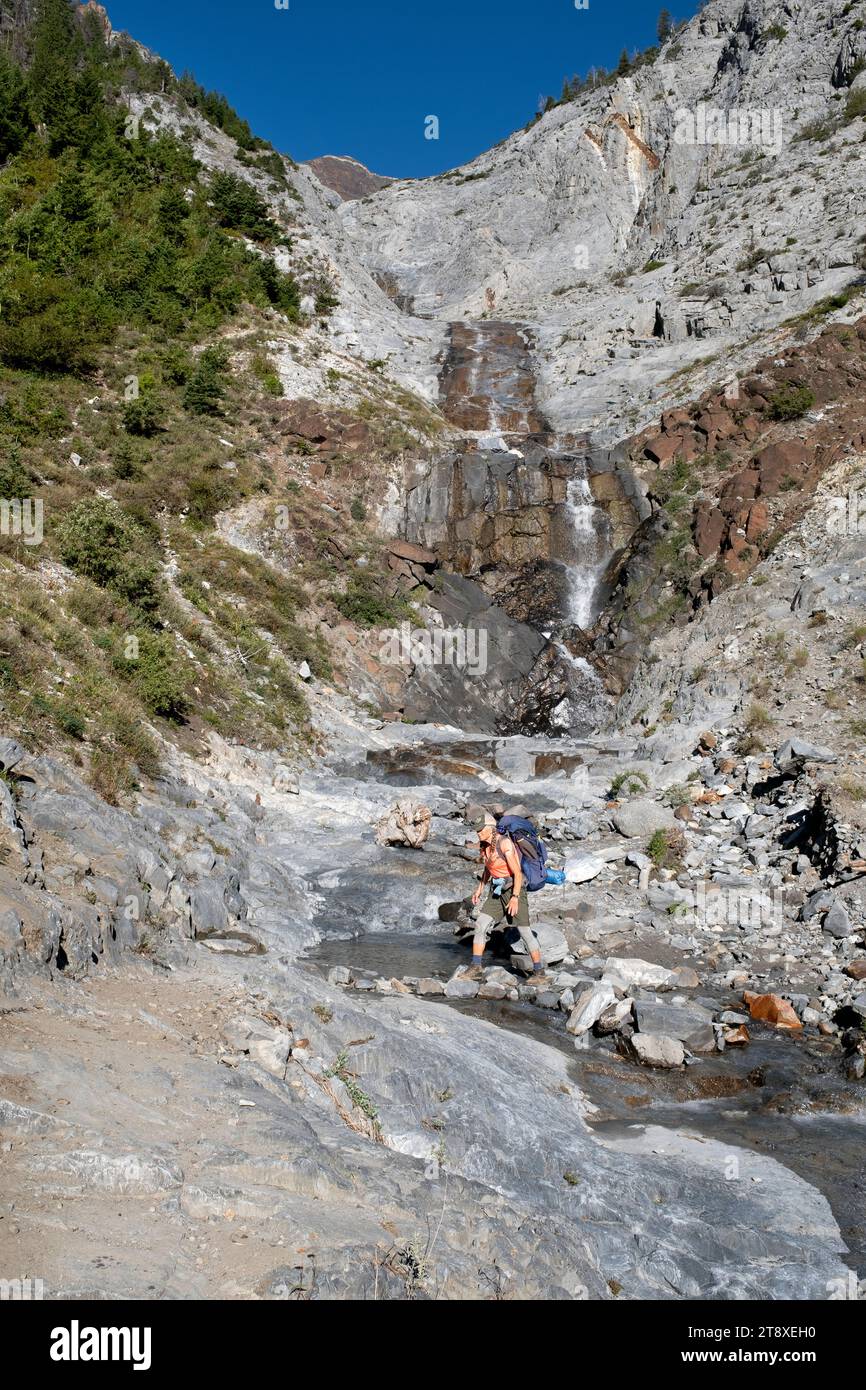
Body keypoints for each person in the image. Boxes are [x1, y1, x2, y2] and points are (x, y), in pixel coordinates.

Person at [466, 814, 546, 979]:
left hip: (513, 889)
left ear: (491, 828)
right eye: (477, 830)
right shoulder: (485, 844)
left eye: (481, 829)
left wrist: (515, 897)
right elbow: (489, 868)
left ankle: (539, 972)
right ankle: (475, 967)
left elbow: (517, 873)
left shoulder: (504, 843)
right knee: (480, 925)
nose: (478, 832)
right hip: (496, 889)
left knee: (524, 931)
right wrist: (479, 889)